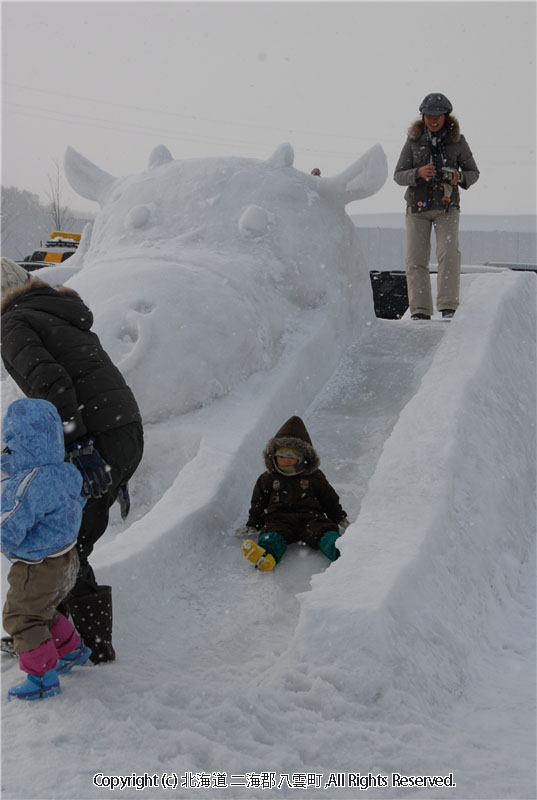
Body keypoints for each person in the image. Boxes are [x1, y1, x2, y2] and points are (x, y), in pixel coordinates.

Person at [0, 257, 144, 663]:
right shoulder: (53, 313)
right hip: (122, 429)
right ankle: (57, 632)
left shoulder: (12, 323)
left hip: (96, 435)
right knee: (68, 535)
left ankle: (84, 644)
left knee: (65, 540)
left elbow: (51, 383)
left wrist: (80, 445)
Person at [1, 398, 92, 700]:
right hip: (66, 559)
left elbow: (13, 521)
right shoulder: (63, 471)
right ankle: (71, 651)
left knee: (22, 617)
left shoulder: (30, 484)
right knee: (45, 610)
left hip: (37, 566)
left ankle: (41, 678)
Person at [393, 93, 479, 320]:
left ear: (445, 116)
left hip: (447, 207)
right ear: (422, 116)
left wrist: (458, 177)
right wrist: (417, 173)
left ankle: (448, 307)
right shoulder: (412, 141)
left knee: (449, 254)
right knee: (415, 259)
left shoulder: (458, 141)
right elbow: (398, 175)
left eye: (437, 116)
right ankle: (420, 311)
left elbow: (474, 173)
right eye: (429, 116)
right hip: (417, 209)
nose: (433, 120)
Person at [239, 415, 350, 571]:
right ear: (273, 456)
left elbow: (328, 498)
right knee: (272, 534)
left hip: (311, 517)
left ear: (303, 457)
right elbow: (259, 502)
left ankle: (341, 552)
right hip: (279, 518)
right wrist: (253, 523)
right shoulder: (268, 478)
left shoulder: (314, 476)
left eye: (291, 457)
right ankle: (266, 556)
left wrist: (339, 517)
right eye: (282, 456)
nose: (286, 461)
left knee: (325, 532)